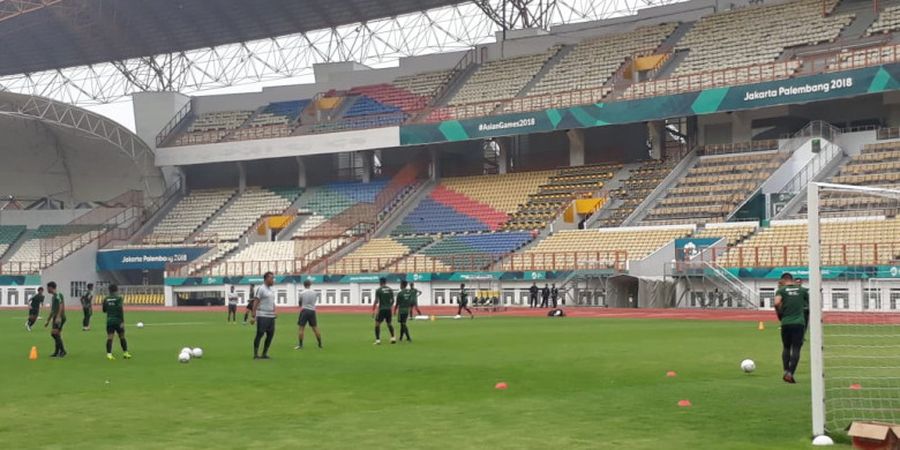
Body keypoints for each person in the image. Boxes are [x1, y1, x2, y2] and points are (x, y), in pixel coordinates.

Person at [774, 272, 809, 384]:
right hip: (799, 323)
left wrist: (780, 313)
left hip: (786, 323)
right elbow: (808, 305)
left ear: (783, 280)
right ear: (792, 279)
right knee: (796, 348)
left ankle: (785, 371)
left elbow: (776, 303)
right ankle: (790, 373)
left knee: (786, 347)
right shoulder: (802, 290)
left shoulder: (781, 290)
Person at [250, 274, 277, 359]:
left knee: (270, 335)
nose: (273, 280)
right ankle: (256, 354)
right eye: (271, 278)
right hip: (262, 315)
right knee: (260, 334)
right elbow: (256, 301)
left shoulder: (271, 290)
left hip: (271, 316)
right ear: (266, 279)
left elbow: (272, 302)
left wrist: (274, 311)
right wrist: (253, 314)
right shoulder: (261, 288)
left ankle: (264, 353)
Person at [103, 284, 131, 360]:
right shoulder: (119, 298)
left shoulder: (106, 299)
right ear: (116, 290)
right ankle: (125, 353)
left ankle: (109, 354)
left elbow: (104, 310)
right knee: (122, 336)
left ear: (109, 290)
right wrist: (122, 321)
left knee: (110, 338)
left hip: (109, 321)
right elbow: (120, 310)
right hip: (118, 321)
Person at [295, 279, 322, 350]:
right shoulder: (314, 293)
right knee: (315, 328)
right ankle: (320, 344)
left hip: (304, 310)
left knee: (301, 328)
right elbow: (315, 301)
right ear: (310, 284)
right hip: (312, 310)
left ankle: (300, 345)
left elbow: (300, 303)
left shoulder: (302, 293)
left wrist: (302, 305)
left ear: (304, 285)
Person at [44, 281, 67, 358]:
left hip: (59, 317)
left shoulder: (58, 295)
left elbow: (61, 305)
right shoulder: (53, 297)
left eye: (48, 288)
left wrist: (58, 316)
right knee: (56, 334)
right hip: (55, 317)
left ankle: (62, 351)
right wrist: (48, 320)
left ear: (51, 287)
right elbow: (53, 310)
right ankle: (57, 352)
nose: (47, 289)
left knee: (54, 333)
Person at [372, 277, 396, 345]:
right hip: (388, 309)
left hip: (381, 309)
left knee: (377, 324)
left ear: (380, 282)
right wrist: (389, 306)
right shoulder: (390, 289)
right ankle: (393, 338)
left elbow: (376, 301)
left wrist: (373, 309)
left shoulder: (378, 290)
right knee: (389, 324)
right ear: (385, 282)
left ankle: (378, 340)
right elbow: (393, 300)